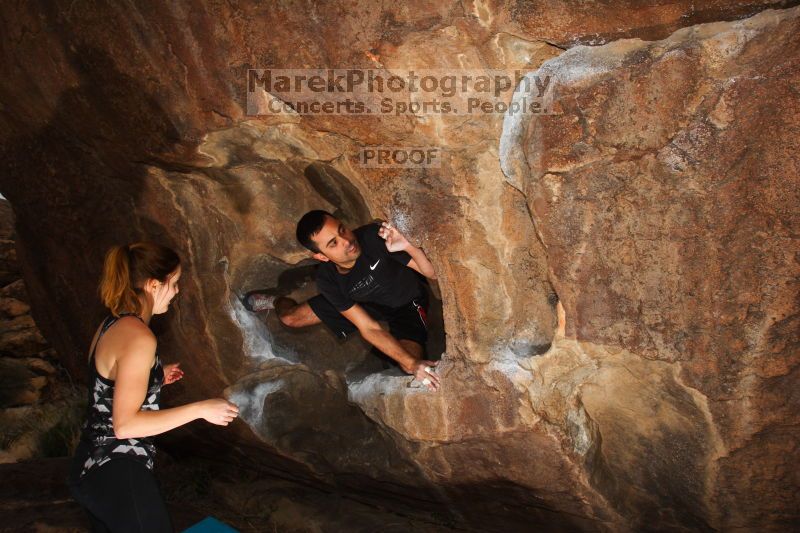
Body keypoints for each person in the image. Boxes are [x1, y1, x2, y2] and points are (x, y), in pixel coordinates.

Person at [68, 242, 239, 532]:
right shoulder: (140, 338)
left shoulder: (110, 325)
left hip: (91, 468)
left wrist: (155, 376)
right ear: (153, 284)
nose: (176, 291)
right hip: (120, 471)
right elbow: (125, 425)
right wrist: (201, 409)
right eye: (174, 283)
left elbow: (106, 388)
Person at [244, 210, 441, 390]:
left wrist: (408, 245)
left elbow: (431, 272)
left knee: (410, 362)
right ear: (321, 257)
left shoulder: (374, 237)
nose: (346, 241)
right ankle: (277, 301)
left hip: (406, 302)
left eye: (342, 230)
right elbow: (369, 327)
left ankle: (393, 353)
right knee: (290, 318)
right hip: (361, 303)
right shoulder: (327, 279)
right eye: (333, 243)